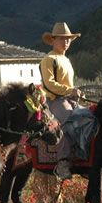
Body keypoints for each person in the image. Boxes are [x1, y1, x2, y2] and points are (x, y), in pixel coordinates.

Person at [39, 22, 83, 180]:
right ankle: (62, 162)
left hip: (68, 99)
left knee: (88, 117)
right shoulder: (48, 59)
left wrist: (74, 92)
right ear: (53, 40)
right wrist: (69, 91)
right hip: (54, 101)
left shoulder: (66, 60)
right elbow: (49, 84)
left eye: (68, 39)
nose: (66, 42)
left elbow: (67, 84)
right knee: (68, 120)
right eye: (62, 39)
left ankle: (80, 153)